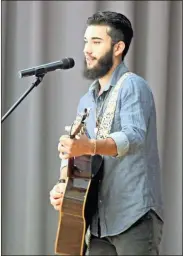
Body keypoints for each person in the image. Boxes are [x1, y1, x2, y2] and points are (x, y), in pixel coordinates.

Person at [50, 11, 164, 255]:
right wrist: (63, 183)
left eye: (96, 42)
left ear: (118, 47)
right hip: (98, 222)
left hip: (133, 217)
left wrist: (89, 146)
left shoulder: (132, 85)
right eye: (85, 41)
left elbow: (134, 137)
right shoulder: (86, 101)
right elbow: (76, 155)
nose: (87, 50)